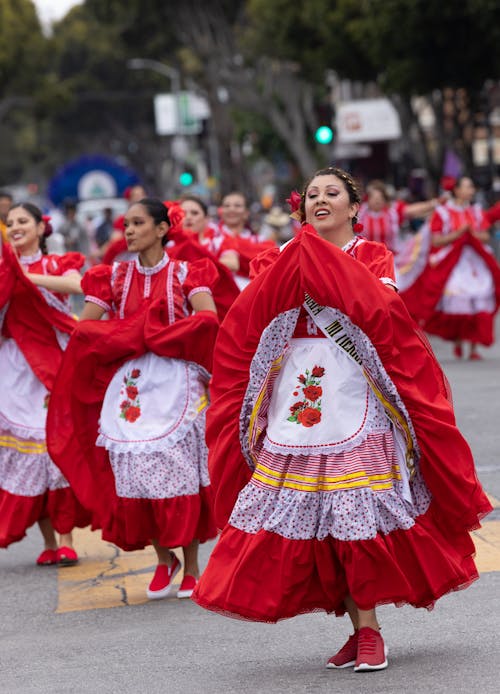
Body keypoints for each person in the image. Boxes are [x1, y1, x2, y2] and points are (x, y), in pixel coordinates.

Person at [192, 167, 492, 672]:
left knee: (354, 511)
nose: (320, 200)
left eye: (332, 194)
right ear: (300, 208)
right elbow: (251, 320)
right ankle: (359, 627)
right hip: (296, 396)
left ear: (354, 208)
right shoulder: (278, 257)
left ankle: (371, 632)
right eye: (312, 195)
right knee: (320, 520)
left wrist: (317, 263)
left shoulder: (373, 257)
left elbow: (382, 314)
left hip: (354, 390)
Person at [47, 198, 220, 600]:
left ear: (161, 229)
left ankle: (191, 564)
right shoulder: (115, 277)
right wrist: (128, 335)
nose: (128, 230)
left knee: (180, 472)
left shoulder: (185, 272)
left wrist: (159, 334)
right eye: (126, 224)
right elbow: (86, 328)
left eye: (138, 223)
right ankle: (164, 559)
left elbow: (208, 318)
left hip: (176, 378)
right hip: (133, 383)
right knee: (136, 471)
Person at [0, 203, 89, 564]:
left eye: (23, 221)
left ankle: (67, 538)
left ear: (41, 227)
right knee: (27, 456)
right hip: (15, 371)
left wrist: (26, 277)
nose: (16, 227)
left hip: (54, 365)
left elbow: (77, 284)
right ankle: (50, 543)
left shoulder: (54, 264)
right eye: (10, 224)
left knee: (57, 452)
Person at [402, 176, 500, 360]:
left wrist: (473, 235)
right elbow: (436, 239)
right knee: (458, 298)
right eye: (467, 186)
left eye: (472, 187)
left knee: (479, 298)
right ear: (456, 190)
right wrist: (458, 234)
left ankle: (473, 347)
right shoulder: (443, 213)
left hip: (474, 262)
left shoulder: (476, 212)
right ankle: (458, 341)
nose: (471, 190)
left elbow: (486, 236)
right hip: (451, 263)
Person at [359, 180, 438, 253]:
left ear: (385, 199)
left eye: (380, 197)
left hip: (388, 258)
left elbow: (413, 210)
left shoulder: (393, 212)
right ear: (367, 199)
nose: (377, 200)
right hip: (365, 258)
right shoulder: (358, 213)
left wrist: (434, 203)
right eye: (374, 197)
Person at [180, 195, 240, 272]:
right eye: (183, 213)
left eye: (194, 213)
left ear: (206, 219)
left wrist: (195, 265)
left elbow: (233, 264)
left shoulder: (219, 241)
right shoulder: (168, 243)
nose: (188, 217)